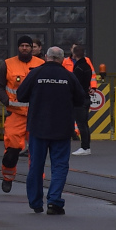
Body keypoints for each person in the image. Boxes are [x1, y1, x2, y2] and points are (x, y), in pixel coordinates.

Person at [16, 46, 87, 214]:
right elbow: (80, 99)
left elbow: (21, 95)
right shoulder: (69, 76)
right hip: (62, 128)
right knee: (60, 166)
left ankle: (35, 202)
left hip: (38, 127)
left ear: (46, 57)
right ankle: (54, 202)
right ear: (62, 59)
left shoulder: (35, 73)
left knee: (36, 165)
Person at [0, 36, 44, 193]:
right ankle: (7, 177)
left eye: (27, 46)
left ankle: (37, 183)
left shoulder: (41, 64)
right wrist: (6, 101)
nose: (24, 48)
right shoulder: (7, 64)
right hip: (15, 114)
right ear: (18, 47)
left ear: (32, 48)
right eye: (22, 45)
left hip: (36, 115)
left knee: (37, 151)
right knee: (12, 150)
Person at [63, 43, 100, 155]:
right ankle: (85, 146)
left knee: (81, 124)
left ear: (74, 54)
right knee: (84, 123)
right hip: (86, 96)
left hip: (79, 99)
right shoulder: (86, 65)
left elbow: (75, 83)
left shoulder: (78, 68)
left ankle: (85, 147)